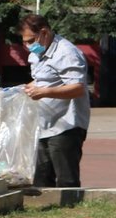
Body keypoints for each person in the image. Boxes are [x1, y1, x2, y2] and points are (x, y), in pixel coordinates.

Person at [19, 13, 91, 189]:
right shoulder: (38, 53)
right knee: (41, 179)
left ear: (44, 32)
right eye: (25, 42)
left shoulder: (67, 53)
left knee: (66, 179)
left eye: (31, 41)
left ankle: (70, 204)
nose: (28, 46)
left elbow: (78, 88)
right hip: (43, 124)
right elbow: (43, 79)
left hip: (66, 126)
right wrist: (26, 88)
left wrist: (44, 92)